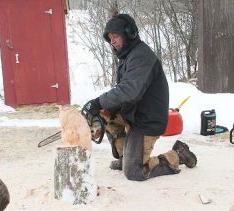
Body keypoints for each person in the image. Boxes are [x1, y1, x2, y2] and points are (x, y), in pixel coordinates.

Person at [83, 14, 197, 181]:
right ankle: (126, 157)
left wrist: (97, 102)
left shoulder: (141, 56)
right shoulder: (127, 56)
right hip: (134, 113)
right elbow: (124, 93)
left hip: (146, 120)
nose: (112, 41)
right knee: (103, 113)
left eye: (116, 36)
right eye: (110, 38)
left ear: (129, 33)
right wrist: (101, 107)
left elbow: (129, 90)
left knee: (134, 171)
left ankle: (177, 154)